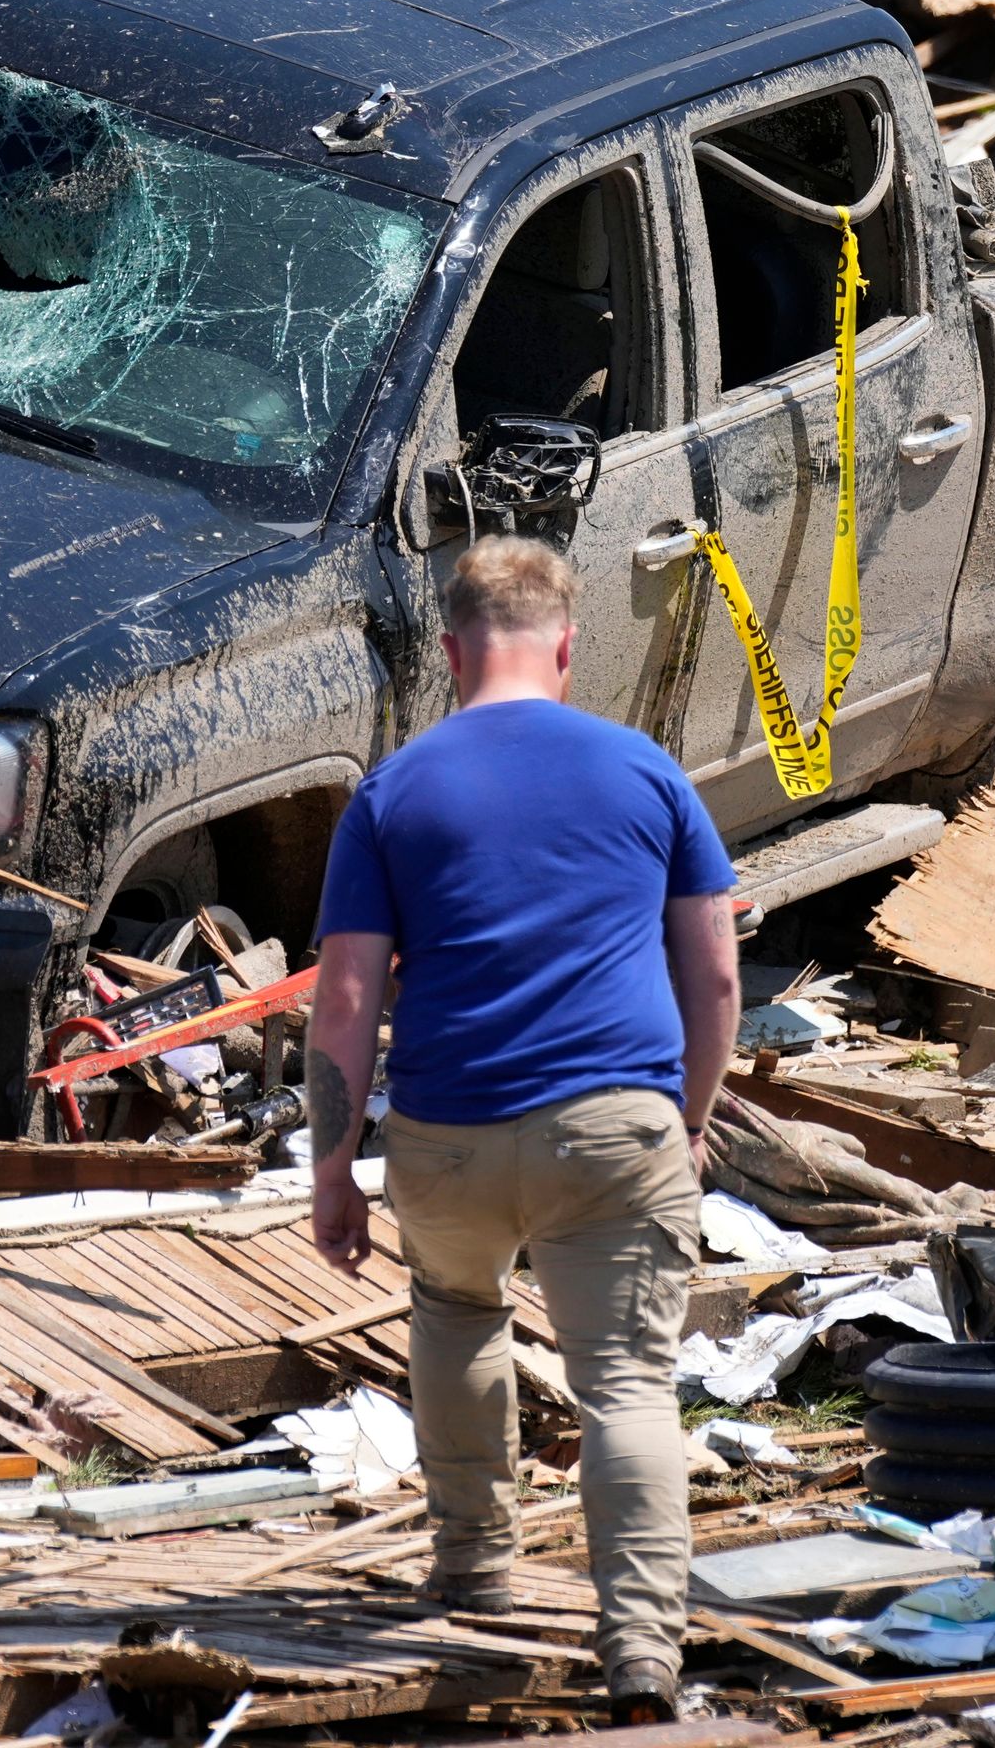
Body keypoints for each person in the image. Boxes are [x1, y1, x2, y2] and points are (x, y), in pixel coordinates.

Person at [304, 536, 744, 1718]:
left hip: (446, 1138)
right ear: (565, 644)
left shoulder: (392, 792)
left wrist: (332, 1169)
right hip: (613, 1131)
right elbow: (713, 980)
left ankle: (472, 1565)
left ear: (452, 651)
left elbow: (344, 1000)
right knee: (628, 1387)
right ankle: (643, 1646)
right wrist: (686, 1120)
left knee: (455, 1310)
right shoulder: (647, 771)